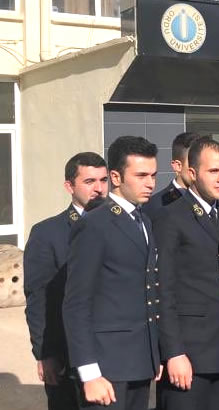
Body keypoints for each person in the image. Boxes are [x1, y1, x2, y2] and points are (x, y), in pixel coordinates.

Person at [153, 137, 219, 410]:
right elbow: (162, 290)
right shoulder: (171, 216)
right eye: (213, 171)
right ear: (192, 173)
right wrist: (173, 352)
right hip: (191, 351)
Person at [63, 136, 161, 410]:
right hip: (106, 366)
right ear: (116, 177)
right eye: (141, 175)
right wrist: (89, 372)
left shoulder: (144, 220)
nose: (150, 183)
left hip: (139, 361)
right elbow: (76, 302)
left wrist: (154, 354)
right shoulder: (95, 224)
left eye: (153, 175)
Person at [24, 152, 108, 410]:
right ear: (69, 186)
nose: (98, 188)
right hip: (66, 355)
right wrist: (45, 353)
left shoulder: (124, 225)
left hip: (115, 352)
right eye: (89, 181)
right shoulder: (47, 233)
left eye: (103, 180)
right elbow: (39, 298)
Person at [143, 132, 200, 218]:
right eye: (194, 163)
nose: (200, 170)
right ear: (178, 166)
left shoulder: (215, 202)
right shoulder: (156, 206)